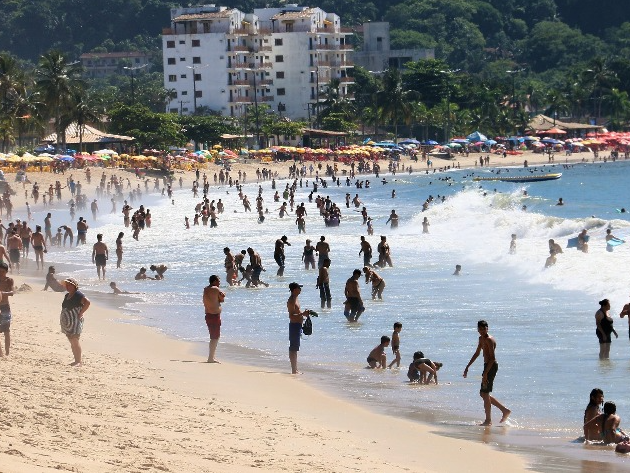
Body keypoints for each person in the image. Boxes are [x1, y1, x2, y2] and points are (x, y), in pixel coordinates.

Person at [463, 320, 511, 426]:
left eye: (484, 329)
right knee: (483, 393)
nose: (482, 331)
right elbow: (477, 353)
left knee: (485, 394)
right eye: (480, 329)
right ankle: (504, 410)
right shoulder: (481, 339)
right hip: (487, 366)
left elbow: (492, 359)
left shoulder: (489, 340)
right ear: (478, 330)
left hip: (491, 366)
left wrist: (485, 373)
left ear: (487, 328)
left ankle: (488, 420)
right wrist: (467, 366)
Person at [59, 278, 90, 367]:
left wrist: (81, 313)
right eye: (66, 285)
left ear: (74, 286)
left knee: (75, 341)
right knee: (72, 342)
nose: (67, 287)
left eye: (69, 285)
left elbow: (87, 302)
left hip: (75, 321)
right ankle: (76, 360)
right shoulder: (67, 295)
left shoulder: (78, 295)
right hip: (68, 323)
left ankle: (78, 361)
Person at [287, 282, 310, 374]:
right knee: (293, 348)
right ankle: (294, 370)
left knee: (295, 348)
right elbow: (291, 316)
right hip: (294, 325)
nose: (300, 290)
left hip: (298, 325)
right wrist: (302, 314)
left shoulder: (296, 298)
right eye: (299, 288)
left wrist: (305, 314)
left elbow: (297, 313)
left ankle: (295, 369)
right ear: (294, 290)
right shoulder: (291, 300)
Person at [203, 275, 225, 363]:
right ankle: (211, 358)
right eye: (218, 281)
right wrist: (222, 296)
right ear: (214, 281)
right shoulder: (216, 289)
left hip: (208, 315)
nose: (219, 283)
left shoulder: (206, 289)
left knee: (213, 336)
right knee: (215, 337)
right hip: (214, 315)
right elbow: (222, 299)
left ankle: (211, 357)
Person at [0, 262, 15, 357]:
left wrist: (2, 293)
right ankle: (1, 353)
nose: (1, 273)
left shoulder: (9, 280)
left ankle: (7, 352)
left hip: (5, 306)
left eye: (2, 271)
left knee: (6, 330)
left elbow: (12, 292)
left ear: (6, 272)